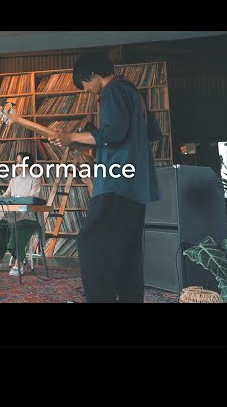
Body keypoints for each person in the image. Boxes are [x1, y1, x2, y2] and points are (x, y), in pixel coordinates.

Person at [48, 52, 161, 303]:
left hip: (116, 181)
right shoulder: (133, 93)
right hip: (137, 183)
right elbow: (153, 131)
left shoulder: (112, 91)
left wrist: (71, 137)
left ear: (92, 74)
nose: (86, 90)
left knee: (91, 242)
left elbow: (114, 133)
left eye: (84, 84)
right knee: (127, 248)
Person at [0, 152, 43, 276]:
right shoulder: (13, 181)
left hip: (30, 218)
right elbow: (7, 195)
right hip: (13, 217)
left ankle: (18, 264)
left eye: (20, 162)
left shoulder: (35, 179)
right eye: (17, 162)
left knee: (18, 227)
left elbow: (34, 196)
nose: (17, 164)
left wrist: (18, 199)